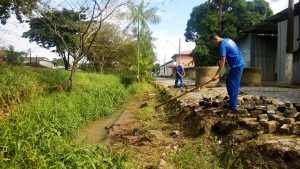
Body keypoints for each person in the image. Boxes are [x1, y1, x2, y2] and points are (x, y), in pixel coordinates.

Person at [210, 34, 244, 112]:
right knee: (229, 81)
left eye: (214, 43)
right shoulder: (228, 39)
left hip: (237, 66)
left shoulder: (222, 45)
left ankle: (233, 107)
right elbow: (233, 53)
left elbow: (222, 61)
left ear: (216, 39)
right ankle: (232, 103)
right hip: (236, 65)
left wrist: (216, 75)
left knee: (233, 85)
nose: (215, 45)